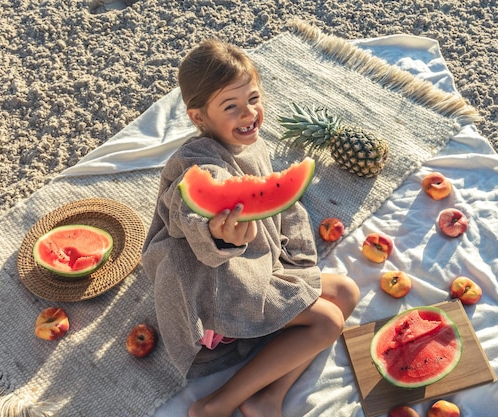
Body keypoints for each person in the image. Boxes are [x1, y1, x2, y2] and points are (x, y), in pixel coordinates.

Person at [141, 39, 360, 417]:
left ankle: (267, 398)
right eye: (232, 107)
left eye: (254, 99)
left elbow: (281, 202)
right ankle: (214, 405)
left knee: (348, 292)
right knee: (328, 323)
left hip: (260, 267)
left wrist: (299, 262)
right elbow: (185, 215)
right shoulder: (194, 163)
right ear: (198, 118)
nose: (249, 114)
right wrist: (219, 236)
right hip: (214, 291)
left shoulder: (253, 144)